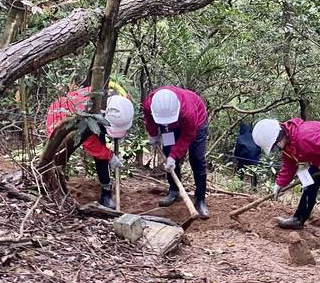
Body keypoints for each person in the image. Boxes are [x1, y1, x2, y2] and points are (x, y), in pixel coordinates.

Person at [252, 118, 320, 250]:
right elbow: (289, 164)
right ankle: (298, 220)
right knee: (309, 187)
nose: (275, 150)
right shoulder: (288, 143)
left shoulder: (305, 137)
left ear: (279, 138)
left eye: (274, 147)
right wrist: (280, 183)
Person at [45, 86, 134, 209]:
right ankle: (54, 188)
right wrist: (110, 156)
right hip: (64, 120)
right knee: (59, 156)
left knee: (101, 150)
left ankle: (106, 193)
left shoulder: (119, 100)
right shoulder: (84, 110)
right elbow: (91, 144)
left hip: (99, 117)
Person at [143, 86, 210, 219]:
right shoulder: (150, 104)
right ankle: (174, 190)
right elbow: (149, 120)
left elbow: (187, 137)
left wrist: (174, 156)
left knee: (197, 158)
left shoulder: (189, 112)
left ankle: (200, 198)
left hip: (196, 124)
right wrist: (153, 135)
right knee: (168, 152)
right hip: (168, 128)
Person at [233, 122, 261, 187]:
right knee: (254, 172)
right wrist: (257, 158)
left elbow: (237, 150)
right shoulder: (254, 137)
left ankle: (239, 185)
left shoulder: (240, 137)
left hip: (244, 158)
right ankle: (254, 187)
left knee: (240, 169)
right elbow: (259, 149)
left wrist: (237, 157)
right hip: (254, 159)